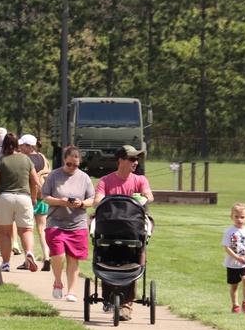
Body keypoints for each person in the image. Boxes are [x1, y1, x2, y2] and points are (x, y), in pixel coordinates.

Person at [94, 144, 155, 320]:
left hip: (132, 230)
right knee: (106, 257)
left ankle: (126, 305)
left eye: (137, 159)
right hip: (110, 229)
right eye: (132, 159)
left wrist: (143, 198)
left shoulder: (140, 180)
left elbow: (149, 195)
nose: (136, 162)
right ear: (120, 160)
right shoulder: (106, 180)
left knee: (132, 259)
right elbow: (97, 201)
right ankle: (109, 298)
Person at [41, 145, 95, 302]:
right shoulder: (54, 175)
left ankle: (71, 291)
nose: (72, 167)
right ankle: (58, 282)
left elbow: (92, 199)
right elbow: (45, 197)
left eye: (76, 165)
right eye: (69, 164)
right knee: (58, 254)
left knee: (73, 257)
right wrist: (59, 201)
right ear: (64, 160)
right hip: (55, 222)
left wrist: (80, 203)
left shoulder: (84, 178)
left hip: (77, 223)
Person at [0, 133, 40, 272]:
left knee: (5, 232)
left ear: (3, 146)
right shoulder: (26, 160)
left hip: (5, 198)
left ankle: (6, 263)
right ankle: (29, 253)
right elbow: (35, 182)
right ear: (17, 145)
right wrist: (33, 198)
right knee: (26, 230)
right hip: (24, 198)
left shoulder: (0, 161)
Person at [19, 134, 51, 271]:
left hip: (30, 197)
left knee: (26, 230)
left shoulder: (25, 160)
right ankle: (47, 257)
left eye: (23, 145)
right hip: (43, 196)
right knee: (42, 229)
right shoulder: (43, 158)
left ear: (30, 146)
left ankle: (27, 261)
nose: (20, 147)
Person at [223, 202, 245, 314]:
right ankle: (235, 305)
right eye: (236, 216)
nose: (239, 219)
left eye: (242, 217)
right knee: (234, 285)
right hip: (232, 263)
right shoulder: (229, 231)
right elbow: (227, 247)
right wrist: (237, 258)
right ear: (232, 217)